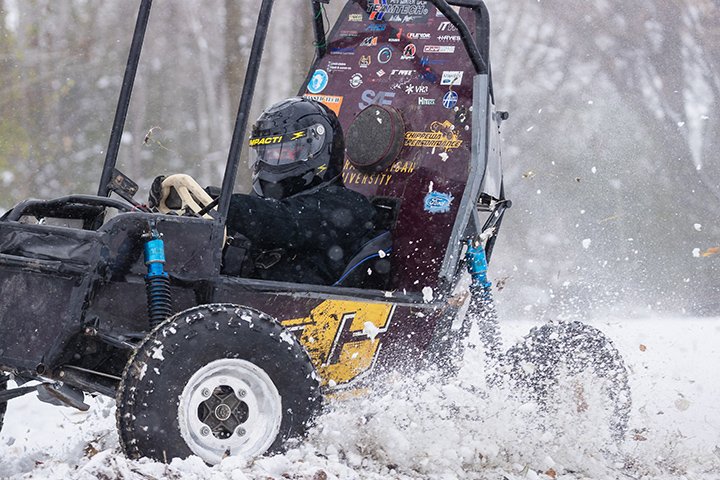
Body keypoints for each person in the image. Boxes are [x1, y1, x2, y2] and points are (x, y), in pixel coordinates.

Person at [216, 96, 377, 285]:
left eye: (284, 151)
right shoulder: (262, 207)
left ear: (315, 148)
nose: (273, 159)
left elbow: (284, 221)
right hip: (244, 303)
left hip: (306, 310)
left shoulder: (345, 206)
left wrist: (222, 204)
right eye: (268, 152)